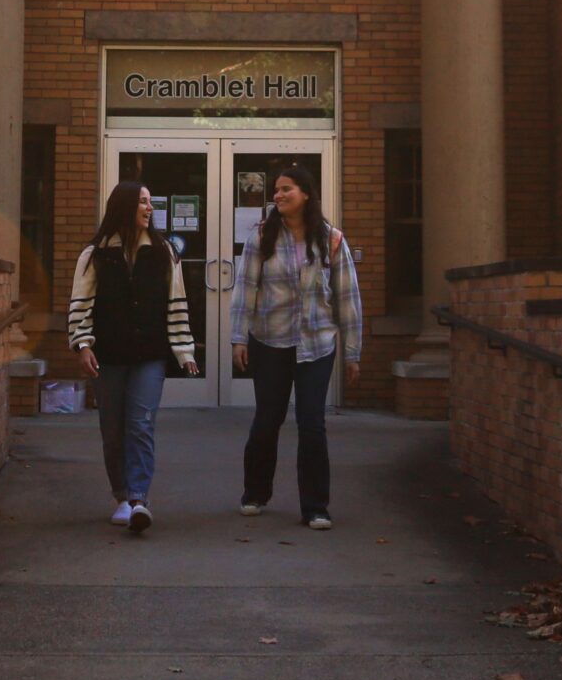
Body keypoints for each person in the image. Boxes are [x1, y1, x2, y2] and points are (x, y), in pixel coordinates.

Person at [229, 163, 362, 530]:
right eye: (276, 190)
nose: (278, 195)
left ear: (305, 194)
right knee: (267, 419)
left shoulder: (331, 239)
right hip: (269, 340)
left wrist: (352, 352)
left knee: (312, 423)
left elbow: (348, 298)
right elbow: (246, 289)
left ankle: (315, 506)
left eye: (286, 189)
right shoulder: (262, 237)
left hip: (316, 344)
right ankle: (255, 493)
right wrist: (238, 337)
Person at [67, 181, 198, 533]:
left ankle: (139, 499)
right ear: (124, 206)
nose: (149, 207)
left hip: (149, 354)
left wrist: (184, 351)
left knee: (140, 424)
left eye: (150, 201)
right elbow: (81, 306)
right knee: (112, 429)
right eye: (142, 201)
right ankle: (121, 496)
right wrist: (83, 345)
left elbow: (177, 303)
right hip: (108, 354)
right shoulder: (95, 254)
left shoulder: (164, 251)